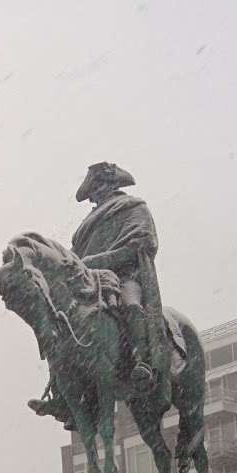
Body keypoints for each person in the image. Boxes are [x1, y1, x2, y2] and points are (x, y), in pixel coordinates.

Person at [71, 161, 166, 392]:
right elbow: (74, 258)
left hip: (124, 277)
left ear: (112, 184)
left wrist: (99, 261)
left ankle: (141, 359)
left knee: (131, 305)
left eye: (99, 186)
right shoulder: (86, 226)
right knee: (63, 320)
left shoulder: (133, 208)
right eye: (92, 190)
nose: (95, 194)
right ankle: (62, 386)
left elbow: (142, 243)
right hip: (91, 284)